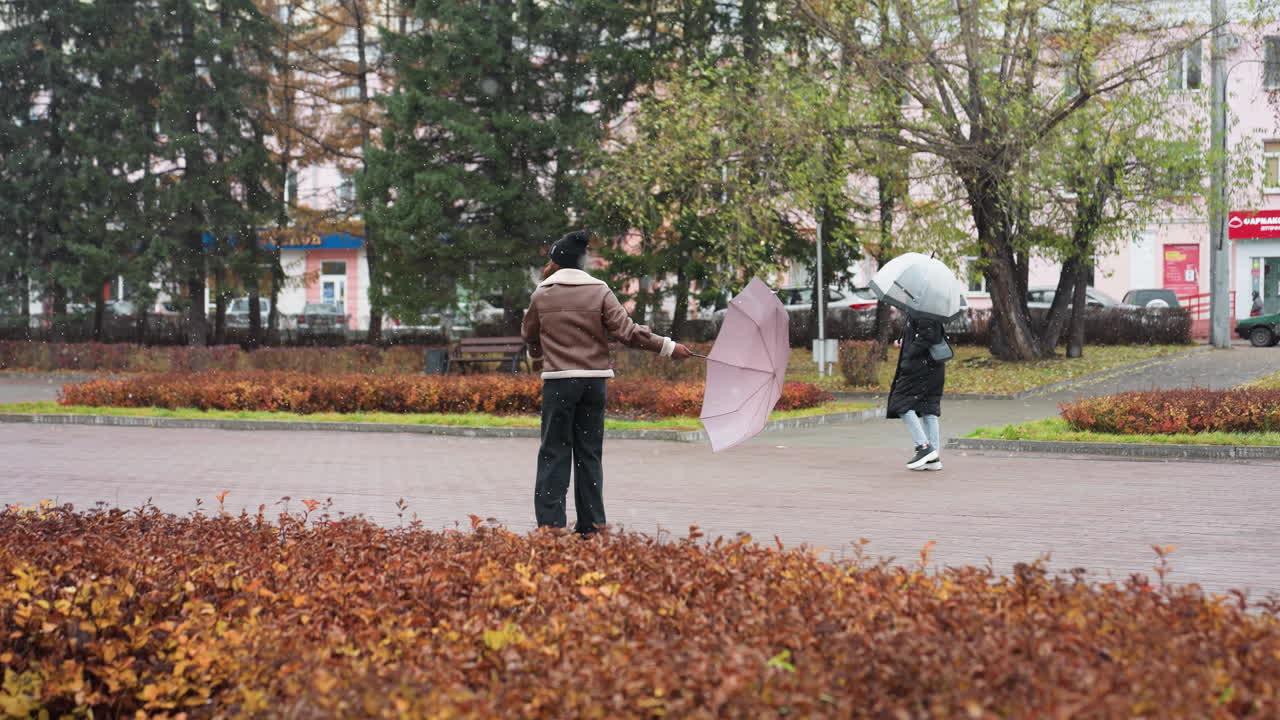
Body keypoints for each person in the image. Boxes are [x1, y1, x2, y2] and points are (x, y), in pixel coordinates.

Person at [521, 230, 692, 534]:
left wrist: (538, 354)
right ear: (581, 262)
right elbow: (628, 332)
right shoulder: (600, 291)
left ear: (556, 261)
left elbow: (530, 336)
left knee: (554, 451)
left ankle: (551, 526)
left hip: (559, 383)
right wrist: (668, 347)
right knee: (589, 453)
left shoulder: (542, 294)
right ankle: (592, 524)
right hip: (593, 384)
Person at [886, 315, 947, 471]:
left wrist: (909, 353)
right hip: (932, 367)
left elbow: (928, 336)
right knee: (929, 408)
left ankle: (924, 447)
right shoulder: (930, 307)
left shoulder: (924, 309)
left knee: (899, 403)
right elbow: (926, 334)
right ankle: (933, 459)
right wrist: (905, 343)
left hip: (921, 368)